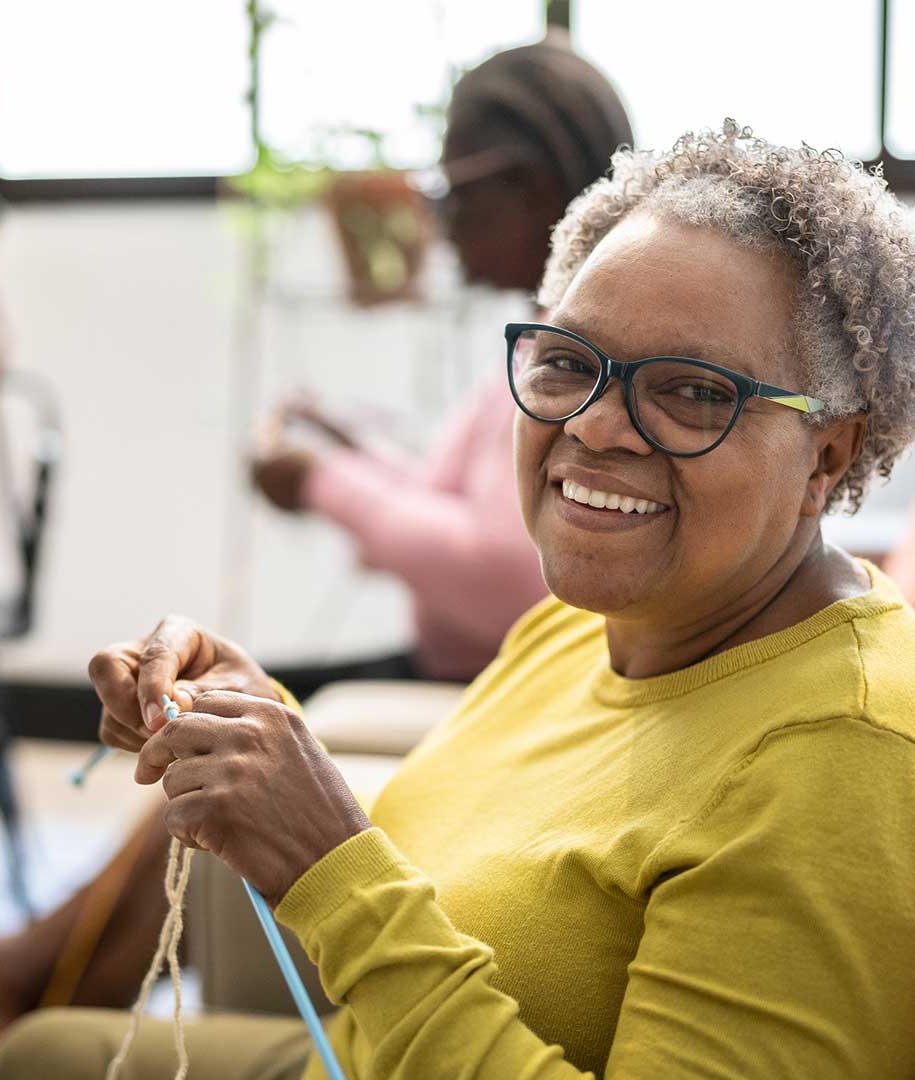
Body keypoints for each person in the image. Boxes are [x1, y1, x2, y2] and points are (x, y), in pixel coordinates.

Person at [0, 121, 915, 1079]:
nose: (594, 427)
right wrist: (260, 733)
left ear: (831, 457)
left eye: (690, 393)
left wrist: (328, 860)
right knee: (41, 1056)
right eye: (569, 363)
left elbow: (370, 898)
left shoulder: (852, 768)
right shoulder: (607, 618)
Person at [250, 36, 633, 684]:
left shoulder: (574, 364)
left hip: (486, 688)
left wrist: (321, 481)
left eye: (452, 191)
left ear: (529, 189)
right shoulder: (540, 342)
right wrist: (354, 451)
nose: (440, 222)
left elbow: (499, 575)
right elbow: (463, 506)